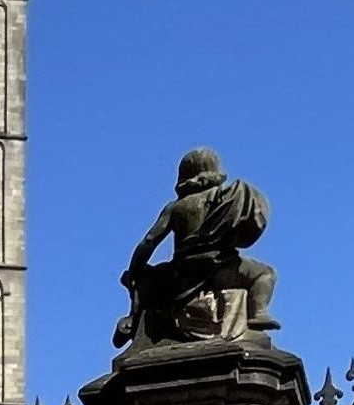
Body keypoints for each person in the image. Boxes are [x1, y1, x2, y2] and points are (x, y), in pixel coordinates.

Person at [114, 147, 279, 351]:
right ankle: (257, 315)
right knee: (265, 274)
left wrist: (134, 270)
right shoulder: (224, 197)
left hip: (183, 274)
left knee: (153, 277)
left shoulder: (175, 207)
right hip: (221, 268)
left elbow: (149, 241)